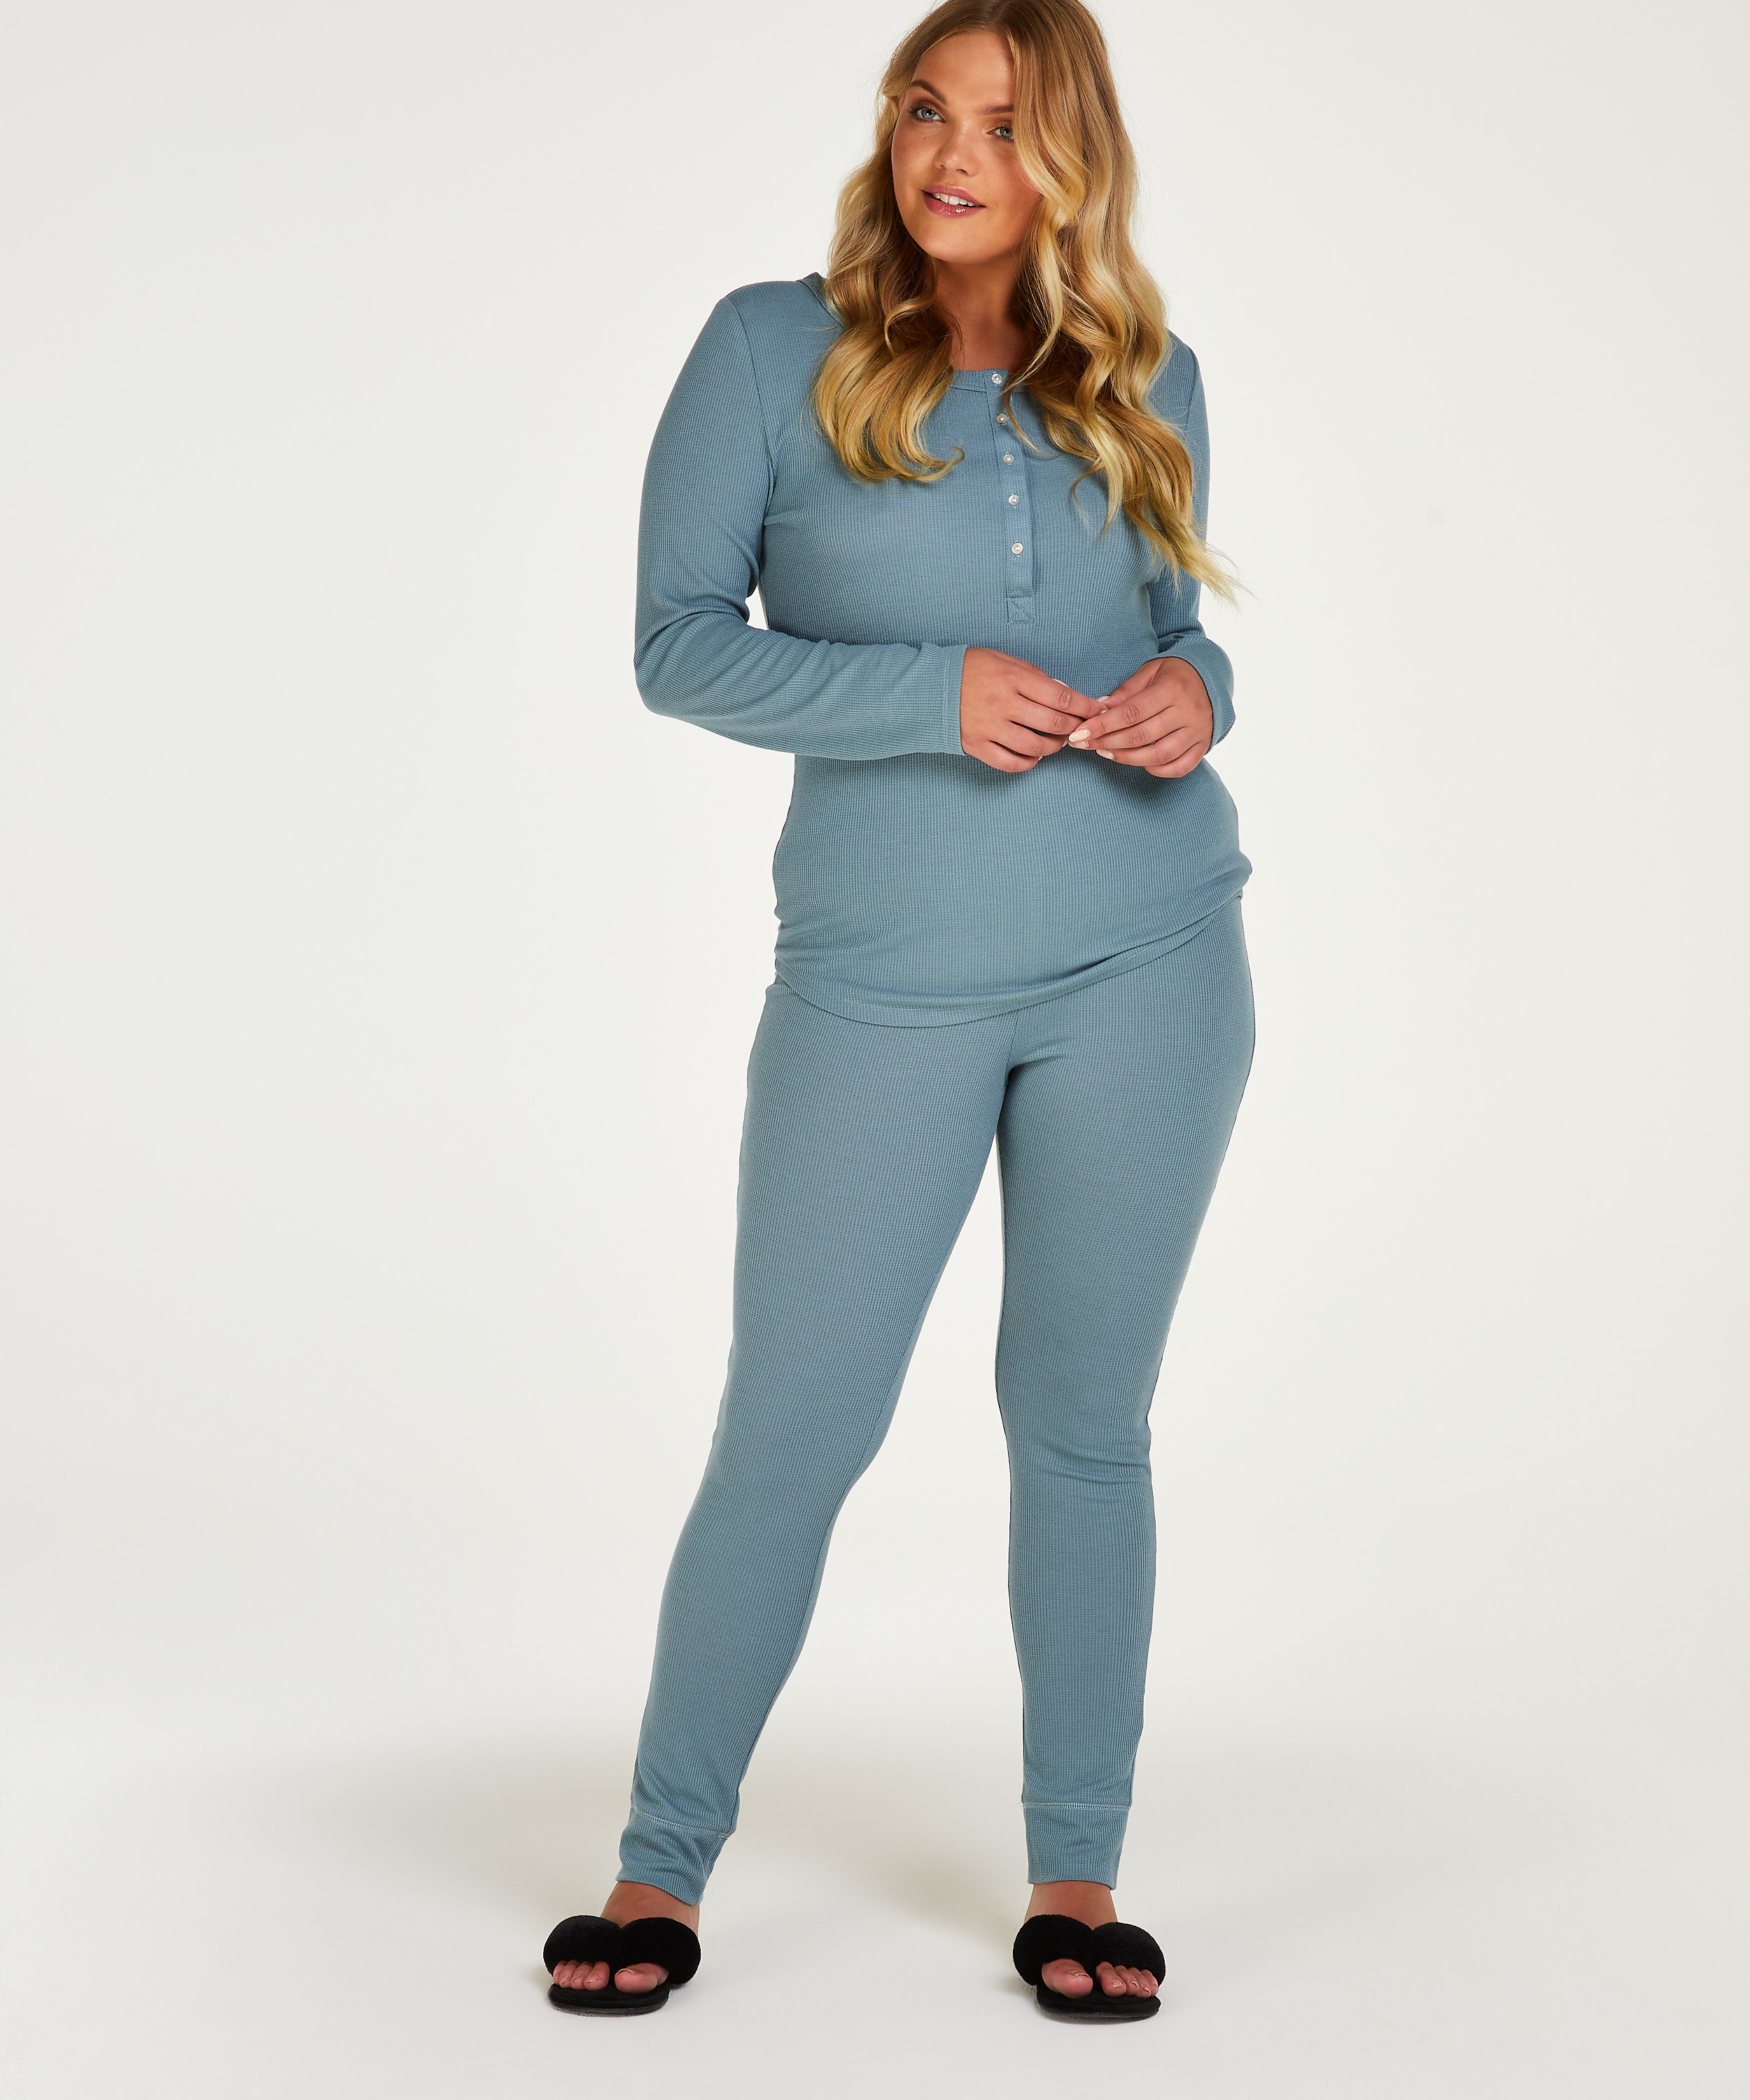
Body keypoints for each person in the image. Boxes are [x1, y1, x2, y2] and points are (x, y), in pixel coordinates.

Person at [541, 0, 1254, 2022]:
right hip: (879, 982)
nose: (953, 154)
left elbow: (1182, 630)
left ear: (1070, 157)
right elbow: (677, 647)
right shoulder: (771, 350)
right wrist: (923, 695)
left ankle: (1077, 1872)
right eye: (926, 110)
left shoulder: (1150, 373)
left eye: (1006, 126)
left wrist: (1200, 694)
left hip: (1151, 956)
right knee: (797, 1422)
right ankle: (659, 1867)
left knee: (1082, 1427)